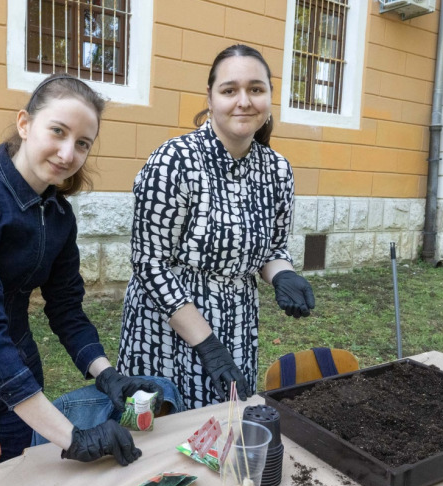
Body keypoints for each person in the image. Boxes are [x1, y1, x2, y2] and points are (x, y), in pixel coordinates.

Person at [0, 74, 162, 464]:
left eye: (82, 144)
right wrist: (72, 438)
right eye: (57, 131)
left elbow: (66, 309)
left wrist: (107, 373)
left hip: (18, 364)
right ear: (24, 124)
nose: (67, 152)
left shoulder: (58, 214)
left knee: (14, 482)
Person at [116, 44, 316, 410]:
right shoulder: (174, 161)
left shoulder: (277, 170)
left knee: (226, 431)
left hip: (238, 321)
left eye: (256, 89)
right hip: (168, 326)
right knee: (161, 439)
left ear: (269, 98)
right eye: (229, 90)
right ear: (210, 99)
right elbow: (149, 264)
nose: (244, 101)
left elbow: (272, 248)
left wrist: (283, 275)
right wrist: (206, 345)